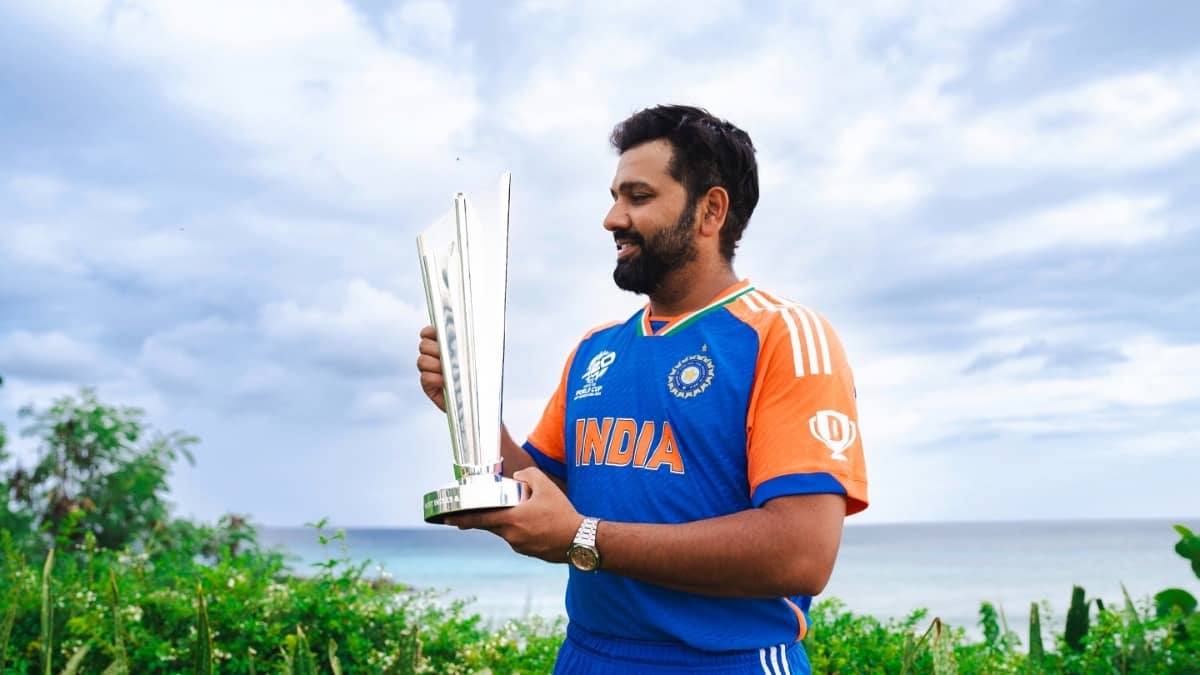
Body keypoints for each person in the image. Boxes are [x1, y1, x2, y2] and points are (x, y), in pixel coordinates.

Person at [416, 104, 868, 674]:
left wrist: (583, 537)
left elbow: (801, 553)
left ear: (711, 210)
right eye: (614, 196)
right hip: (587, 654)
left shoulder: (782, 335)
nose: (611, 217)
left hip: (727, 660)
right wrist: (468, 405)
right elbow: (543, 492)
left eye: (638, 197)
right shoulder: (596, 349)